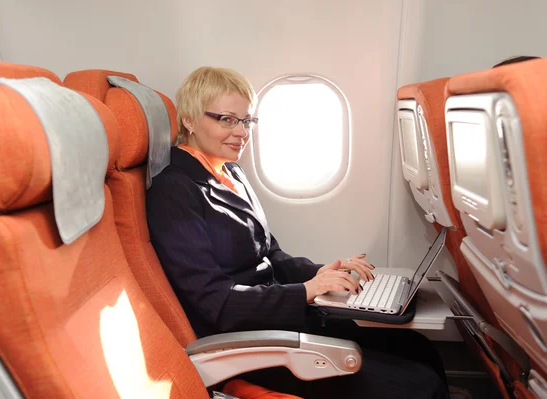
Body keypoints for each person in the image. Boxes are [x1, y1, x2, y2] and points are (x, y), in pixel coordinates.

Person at [146, 66, 449, 399]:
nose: (241, 132)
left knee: (420, 349)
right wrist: (307, 290)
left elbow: (270, 254)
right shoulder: (173, 191)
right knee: (420, 386)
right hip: (251, 342)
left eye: (246, 121)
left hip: (281, 317)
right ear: (189, 120)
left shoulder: (231, 172)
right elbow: (215, 302)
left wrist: (322, 272)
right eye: (226, 119)